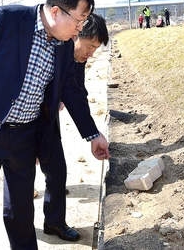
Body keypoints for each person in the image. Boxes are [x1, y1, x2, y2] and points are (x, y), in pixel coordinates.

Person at [0, 0, 110, 250]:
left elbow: (70, 91)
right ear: (56, 12)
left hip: (24, 137)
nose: (80, 28)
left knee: (21, 213)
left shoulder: (63, 45)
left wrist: (93, 134)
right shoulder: (6, 20)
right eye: (79, 20)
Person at [39, 13, 109, 242]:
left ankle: (54, 222)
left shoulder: (78, 59)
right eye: (90, 46)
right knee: (19, 177)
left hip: (47, 119)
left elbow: (77, 93)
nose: (91, 53)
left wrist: (93, 134)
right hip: (23, 118)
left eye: (95, 49)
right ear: (76, 35)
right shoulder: (54, 49)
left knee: (57, 170)